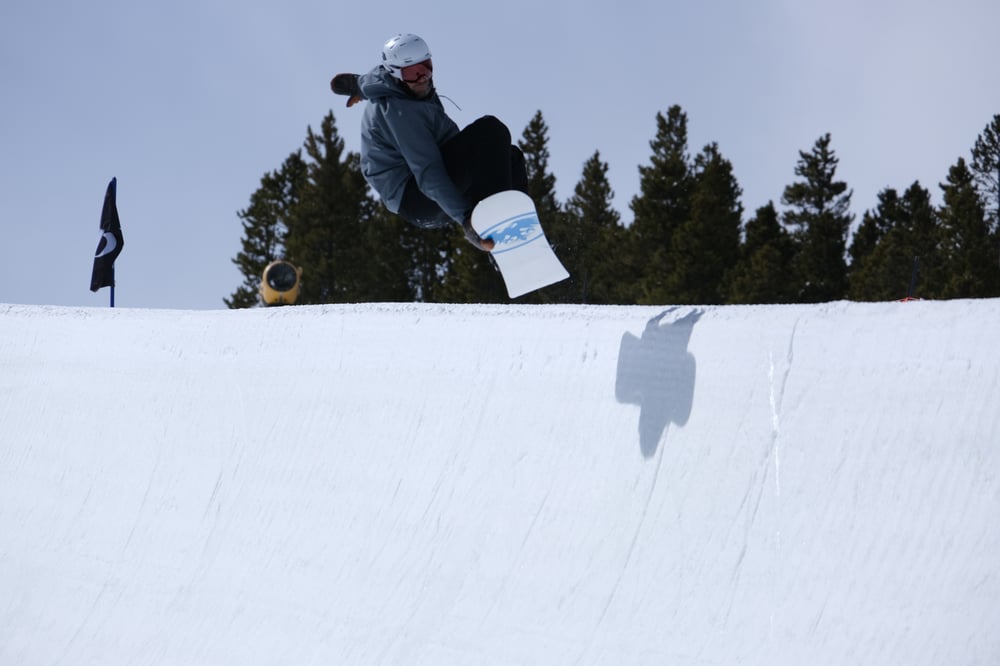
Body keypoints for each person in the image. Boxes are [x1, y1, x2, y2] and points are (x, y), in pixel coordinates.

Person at [331, 33, 529, 251]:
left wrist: (358, 85)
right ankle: (497, 225)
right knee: (490, 130)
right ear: (396, 75)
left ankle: (521, 236)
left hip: (431, 190)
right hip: (417, 196)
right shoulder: (400, 112)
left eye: (426, 67)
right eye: (413, 73)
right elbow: (428, 172)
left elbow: (378, 79)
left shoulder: (404, 87)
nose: (422, 77)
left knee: (510, 158)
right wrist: (465, 219)